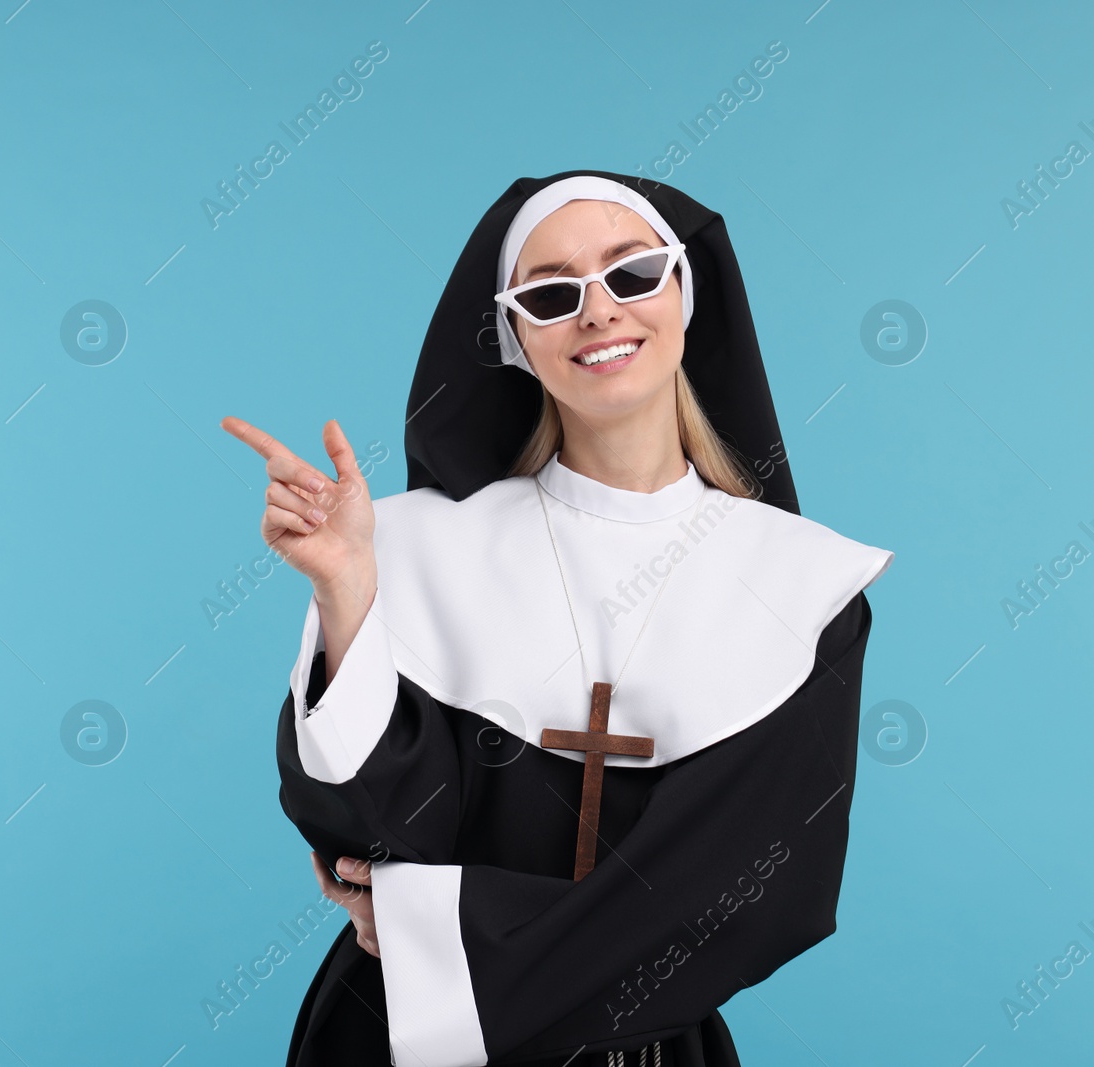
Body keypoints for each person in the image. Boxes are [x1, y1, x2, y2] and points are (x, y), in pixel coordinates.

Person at [220, 170, 894, 1067]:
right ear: (512, 335)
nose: (599, 311)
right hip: (385, 1040)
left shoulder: (800, 588)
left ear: (685, 293)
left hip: (639, 1049)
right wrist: (347, 590)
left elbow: (746, 901)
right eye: (550, 293)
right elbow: (370, 836)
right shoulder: (412, 544)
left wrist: (429, 932)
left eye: (632, 274)